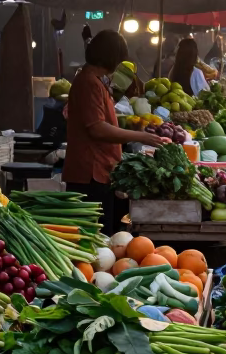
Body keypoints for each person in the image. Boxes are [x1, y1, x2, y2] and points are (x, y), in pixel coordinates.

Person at [64, 30, 170, 231]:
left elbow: (99, 121)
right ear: (111, 57)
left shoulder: (95, 81)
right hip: (90, 173)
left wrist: (131, 126)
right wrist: (141, 136)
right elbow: (97, 128)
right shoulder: (88, 83)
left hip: (101, 170)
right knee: (95, 235)